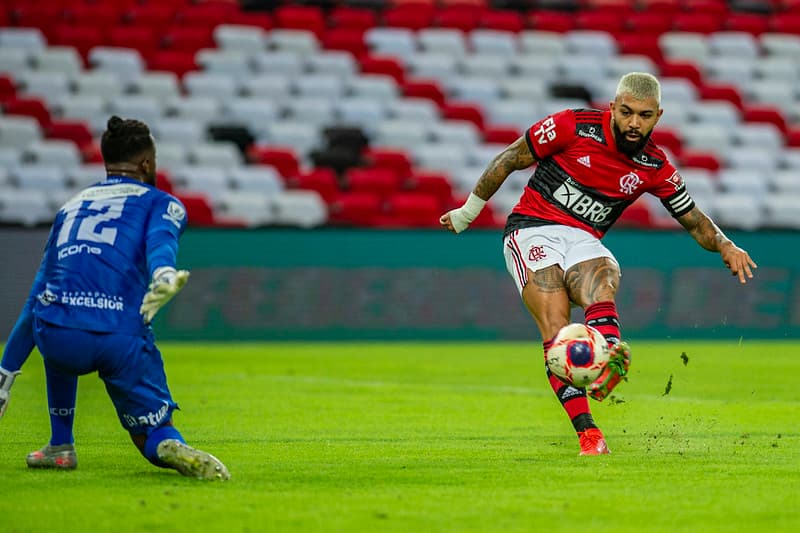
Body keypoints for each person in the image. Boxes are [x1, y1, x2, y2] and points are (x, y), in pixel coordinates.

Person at [440, 72, 757, 455]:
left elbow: (692, 217)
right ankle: (589, 433)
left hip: (583, 239)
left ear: (658, 116)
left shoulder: (653, 165)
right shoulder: (572, 127)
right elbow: (511, 157)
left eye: (644, 115)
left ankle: (606, 354)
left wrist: (725, 245)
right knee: (558, 330)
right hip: (532, 229)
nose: (634, 123)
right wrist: (468, 211)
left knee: (602, 275)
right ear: (613, 107)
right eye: (626, 113)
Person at [0, 116, 230, 480]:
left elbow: (36, 298)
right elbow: (160, 243)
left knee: (57, 314)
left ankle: (60, 446)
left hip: (57, 336)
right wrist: (164, 275)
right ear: (147, 164)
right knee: (151, 433)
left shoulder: (71, 207)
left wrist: (4, 373)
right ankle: (166, 442)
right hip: (118, 336)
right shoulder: (162, 202)